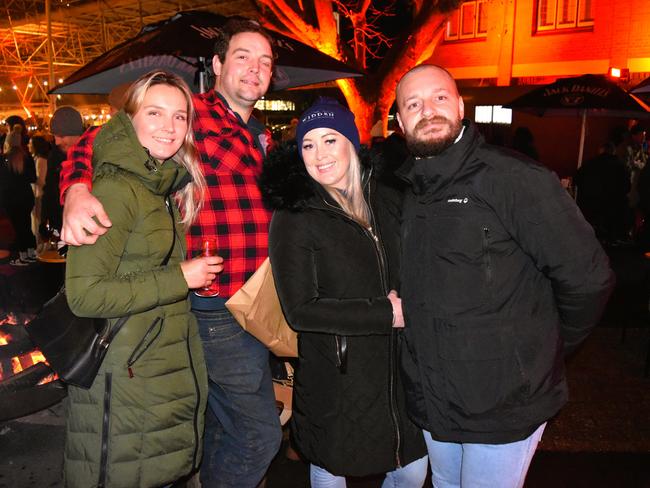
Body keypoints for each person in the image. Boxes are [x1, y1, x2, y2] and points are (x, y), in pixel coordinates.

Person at [57, 19, 282, 487]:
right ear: (218, 64)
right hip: (216, 302)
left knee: (218, 422)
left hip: (255, 300)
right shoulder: (190, 114)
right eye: (242, 56)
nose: (254, 69)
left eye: (264, 62)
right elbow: (98, 141)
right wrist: (77, 190)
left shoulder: (261, 135)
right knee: (260, 433)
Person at [394, 64, 615, 488]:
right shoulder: (411, 188)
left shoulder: (513, 178)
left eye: (440, 97)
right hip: (435, 395)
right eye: (414, 103)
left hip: (502, 402)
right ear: (401, 121)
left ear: (460, 106)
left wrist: (543, 352)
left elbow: (588, 279)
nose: (429, 110)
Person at [64, 70, 221, 488]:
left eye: (179, 116)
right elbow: (85, 294)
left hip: (153, 370)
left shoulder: (159, 186)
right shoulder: (118, 189)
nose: (168, 127)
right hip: (126, 376)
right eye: (155, 113)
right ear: (128, 119)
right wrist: (180, 277)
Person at [260, 97, 428, 487]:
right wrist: (384, 314)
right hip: (337, 376)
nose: (319, 155)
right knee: (331, 469)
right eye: (308, 144)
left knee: (412, 469)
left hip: (398, 371)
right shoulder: (295, 214)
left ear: (351, 143)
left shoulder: (388, 197)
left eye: (330, 140)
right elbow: (300, 310)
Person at [41, 107, 85, 242]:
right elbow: (49, 189)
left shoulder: (92, 155)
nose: (57, 141)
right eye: (55, 136)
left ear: (76, 134)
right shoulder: (55, 155)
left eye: (61, 136)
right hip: (60, 223)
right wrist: (45, 218)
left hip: (85, 224)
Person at [574, 141, 631, 244]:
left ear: (601, 151)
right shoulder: (620, 166)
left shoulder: (590, 163)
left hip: (591, 204)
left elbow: (577, 179)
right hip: (613, 207)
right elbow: (627, 187)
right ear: (613, 152)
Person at [3, 121, 37, 265]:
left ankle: (22, 256)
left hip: (12, 198)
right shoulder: (27, 157)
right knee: (27, 225)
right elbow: (32, 178)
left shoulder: (5, 159)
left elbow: (3, 181)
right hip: (26, 196)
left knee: (17, 227)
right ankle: (31, 253)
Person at [27, 135, 51, 249]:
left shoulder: (40, 160)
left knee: (38, 220)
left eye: (30, 144)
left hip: (38, 193)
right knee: (36, 219)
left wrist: (28, 177)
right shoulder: (36, 158)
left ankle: (40, 244)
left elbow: (41, 180)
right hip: (35, 192)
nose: (28, 145)